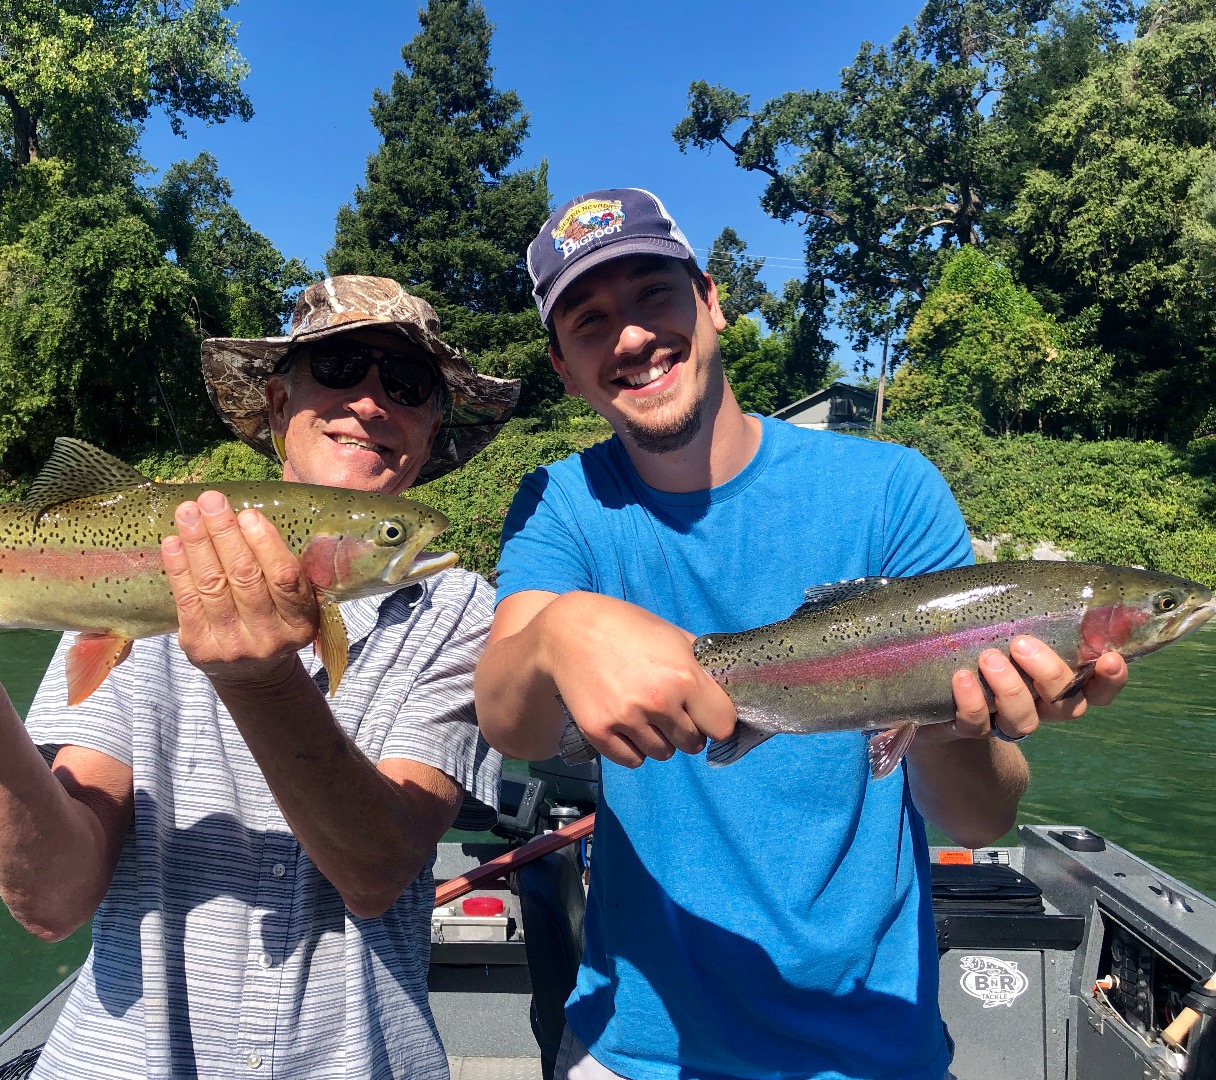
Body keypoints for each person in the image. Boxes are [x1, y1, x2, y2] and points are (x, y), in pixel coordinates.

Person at [0, 275, 521, 1079]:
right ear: (278, 404)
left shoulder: (467, 615)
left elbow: (377, 874)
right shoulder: (178, 553)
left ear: (433, 425)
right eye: (341, 369)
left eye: (409, 385)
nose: (373, 404)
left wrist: (261, 680)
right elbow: (53, 899)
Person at [473, 189, 1130, 1080]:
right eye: (590, 320)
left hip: (868, 1042)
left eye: (653, 296)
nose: (630, 336)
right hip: (639, 1042)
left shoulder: (892, 489)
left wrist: (949, 721)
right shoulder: (562, 505)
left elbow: (979, 815)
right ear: (563, 366)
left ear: (710, 299)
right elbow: (510, 721)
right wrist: (560, 632)